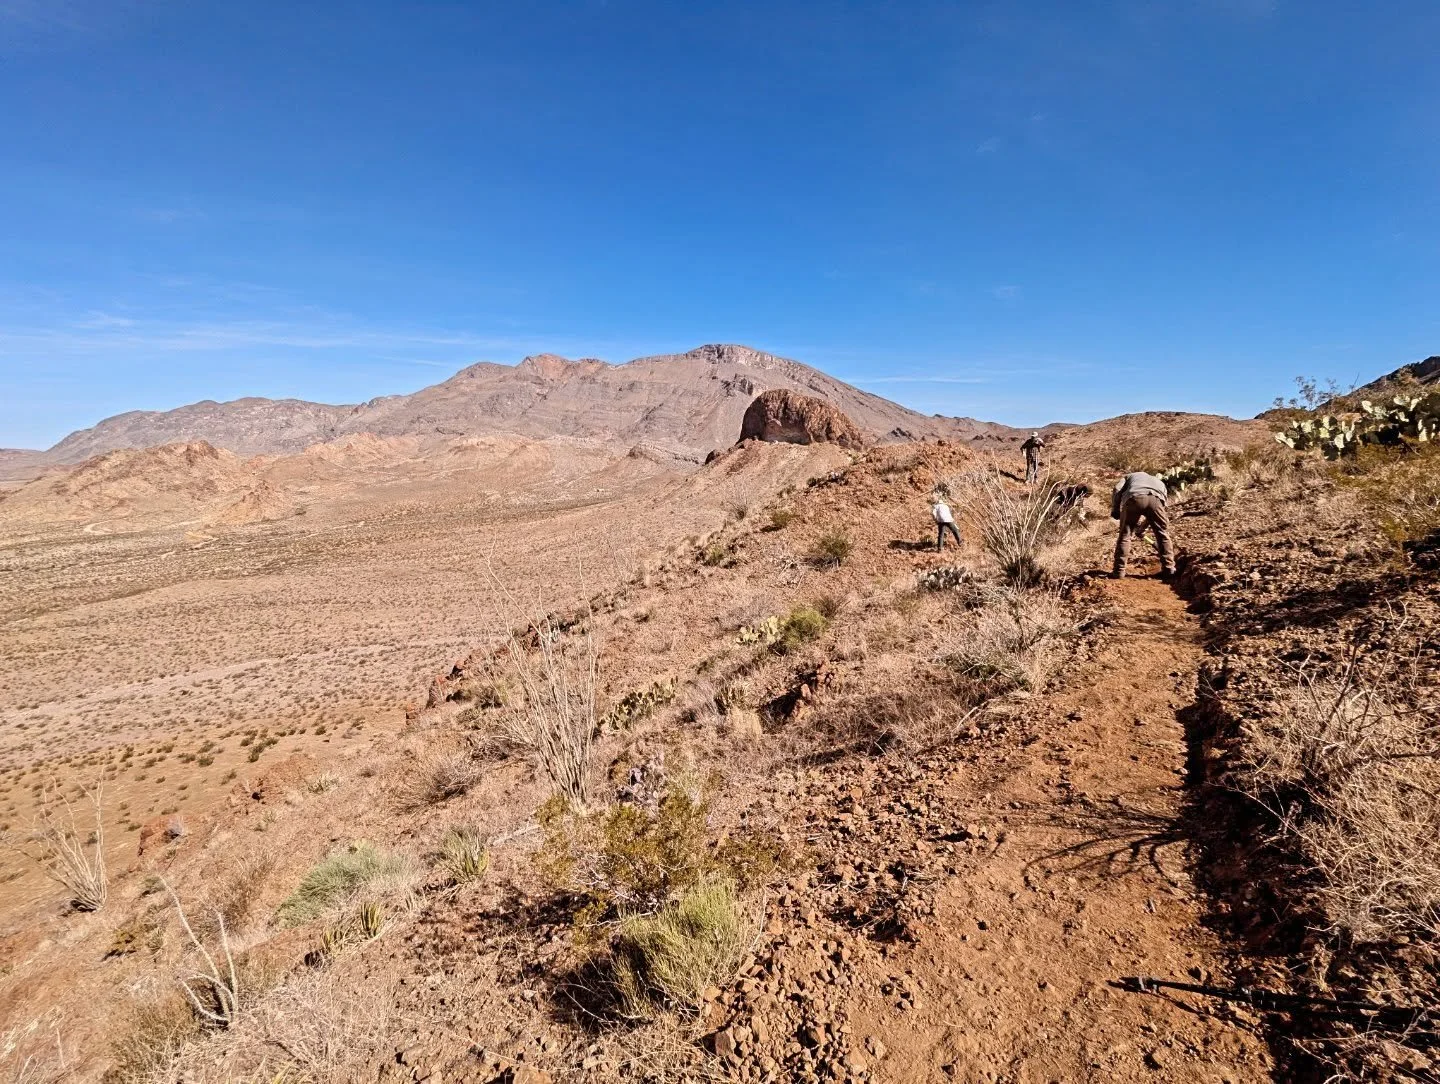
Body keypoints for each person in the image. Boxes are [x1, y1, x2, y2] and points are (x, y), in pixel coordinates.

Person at [1111, 471, 1176, 579]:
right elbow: (1158, 509)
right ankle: (1169, 569)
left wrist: (1115, 509)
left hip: (1134, 498)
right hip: (1156, 500)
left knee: (1125, 535)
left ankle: (1119, 571)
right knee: (1162, 533)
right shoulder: (1158, 481)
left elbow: (1117, 489)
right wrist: (1143, 527)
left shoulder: (1130, 476)